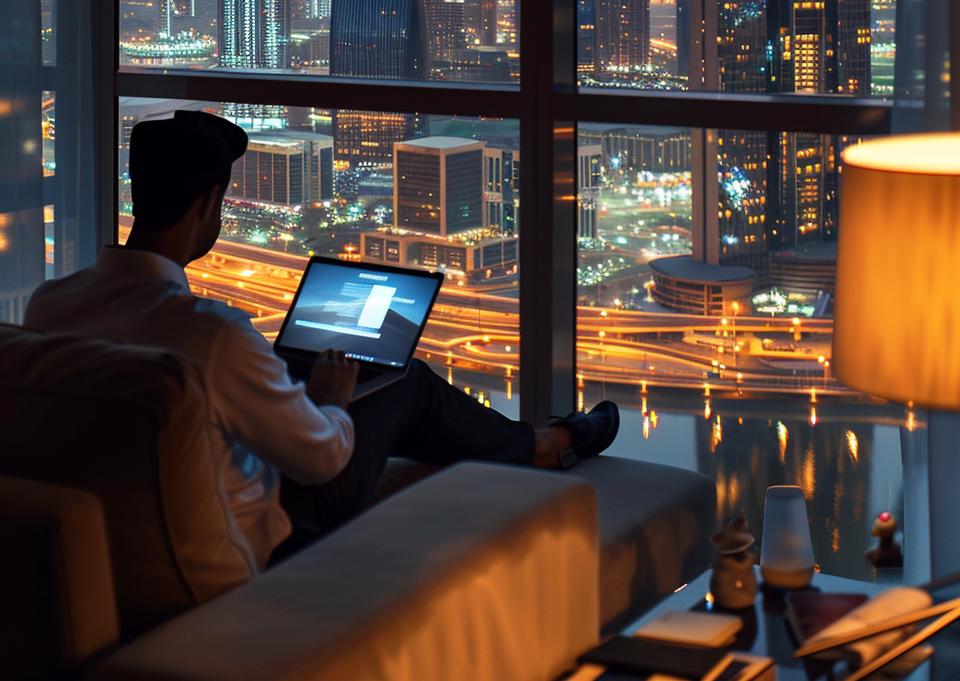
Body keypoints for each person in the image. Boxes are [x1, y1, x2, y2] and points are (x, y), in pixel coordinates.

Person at [25, 110, 619, 569]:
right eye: (223, 203)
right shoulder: (212, 335)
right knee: (400, 381)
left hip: (110, 536)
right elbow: (321, 459)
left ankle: (524, 446)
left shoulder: (50, 304)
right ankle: (544, 445)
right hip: (268, 536)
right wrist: (331, 399)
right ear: (209, 204)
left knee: (330, 384)